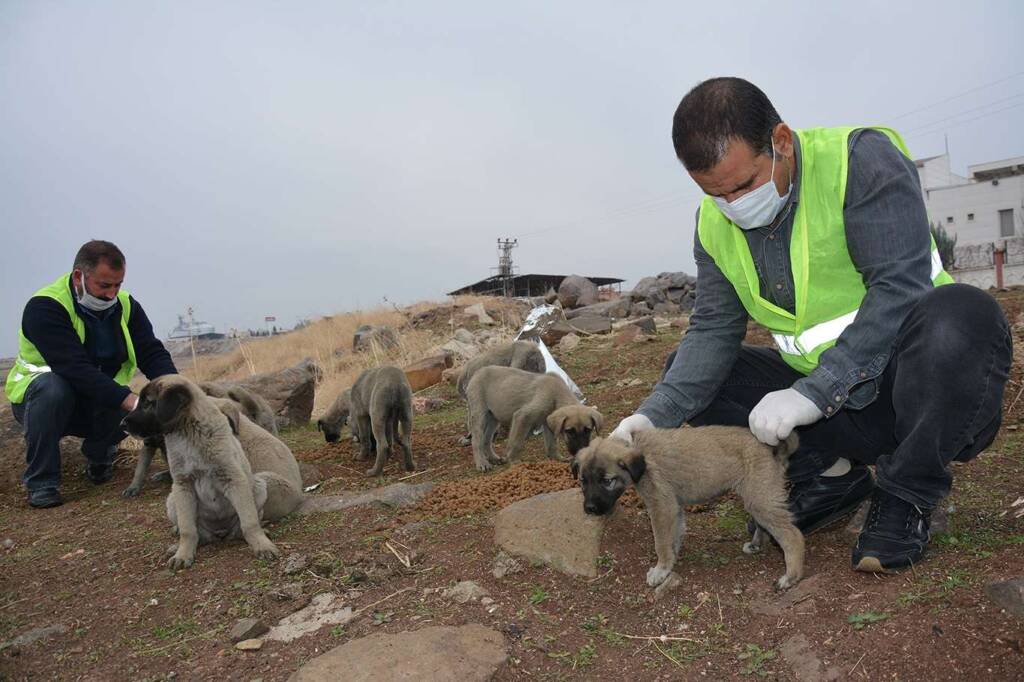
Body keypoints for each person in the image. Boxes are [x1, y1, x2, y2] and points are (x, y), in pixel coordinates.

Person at [610, 78, 1011, 573]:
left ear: (780, 142)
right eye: (715, 194)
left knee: (963, 312)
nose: (733, 205)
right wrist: (653, 417)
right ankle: (829, 477)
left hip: (915, 392)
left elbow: (900, 289)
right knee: (696, 377)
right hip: (832, 414)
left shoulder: (859, 162)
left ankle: (906, 493)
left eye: (743, 185)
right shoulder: (713, 223)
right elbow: (713, 328)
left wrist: (813, 393)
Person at [5, 240, 177, 508]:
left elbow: (151, 352)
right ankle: (42, 482)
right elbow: (75, 369)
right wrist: (137, 403)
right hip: (44, 401)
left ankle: (99, 456)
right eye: (104, 285)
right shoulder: (44, 307)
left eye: (118, 285)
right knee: (54, 388)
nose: (112, 294)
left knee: (129, 402)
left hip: (97, 400)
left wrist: (176, 391)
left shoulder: (126, 305)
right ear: (79, 277)